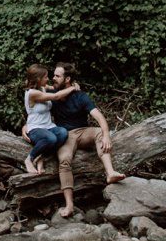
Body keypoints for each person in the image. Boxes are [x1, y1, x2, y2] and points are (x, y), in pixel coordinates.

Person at [49, 61, 125, 217]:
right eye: (53, 75)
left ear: (67, 79)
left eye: (57, 76)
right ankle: (69, 205)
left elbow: (99, 117)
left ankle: (110, 173)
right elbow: (34, 108)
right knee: (64, 161)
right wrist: (26, 127)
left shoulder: (81, 96)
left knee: (98, 132)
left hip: (83, 132)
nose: (53, 78)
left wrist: (106, 135)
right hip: (65, 135)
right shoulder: (52, 95)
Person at [20, 65, 76, 174]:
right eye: (45, 77)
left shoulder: (42, 87)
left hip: (48, 126)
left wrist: (72, 84)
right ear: (38, 79)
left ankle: (42, 157)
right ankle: (29, 159)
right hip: (35, 128)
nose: (48, 79)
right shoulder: (33, 93)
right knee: (51, 139)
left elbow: (56, 88)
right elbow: (56, 96)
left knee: (63, 133)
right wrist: (72, 88)